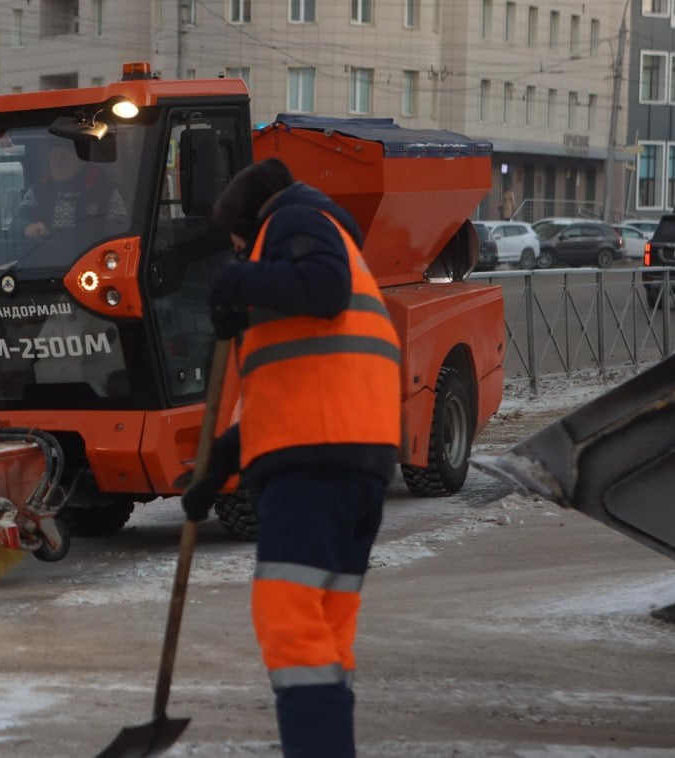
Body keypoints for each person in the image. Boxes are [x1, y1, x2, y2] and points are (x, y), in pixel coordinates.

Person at [182, 158, 401, 758]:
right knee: (326, 630)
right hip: (348, 456)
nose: (237, 254)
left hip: (317, 463)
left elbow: (322, 290)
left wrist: (239, 283)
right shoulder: (322, 243)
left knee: (289, 619)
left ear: (249, 221)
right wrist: (222, 464)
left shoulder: (292, 219)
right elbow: (294, 385)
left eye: (235, 243)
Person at [16, 140, 127, 239]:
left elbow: (120, 227)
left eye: (64, 156)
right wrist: (27, 228)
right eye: (54, 156)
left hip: (93, 257)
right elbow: (16, 224)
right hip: (45, 259)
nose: (58, 162)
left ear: (81, 162)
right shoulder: (37, 191)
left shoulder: (105, 191)